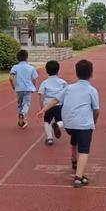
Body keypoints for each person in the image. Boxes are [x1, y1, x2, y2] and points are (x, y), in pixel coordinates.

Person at [38, 60, 99, 188]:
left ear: (76, 74)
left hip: (68, 124)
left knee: (74, 139)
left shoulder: (68, 88)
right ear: (91, 74)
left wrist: (43, 109)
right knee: (84, 150)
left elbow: (55, 99)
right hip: (83, 125)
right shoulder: (92, 90)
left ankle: (74, 160)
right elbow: (96, 110)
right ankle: (78, 177)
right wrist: (94, 121)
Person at [38, 60, 67, 145]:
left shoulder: (44, 82)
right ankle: (58, 125)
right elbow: (67, 94)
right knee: (63, 120)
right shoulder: (63, 82)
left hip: (48, 105)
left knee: (47, 121)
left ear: (46, 71)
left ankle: (49, 138)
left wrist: (42, 108)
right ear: (58, 70)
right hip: (59, 105)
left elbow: (40, 95)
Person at [10, 50, 38, 128]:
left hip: (19, 88)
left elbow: (11, 77)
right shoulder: (31, 68)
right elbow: (34, 79)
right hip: (28, 88)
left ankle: (23, 120)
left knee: (19, 104)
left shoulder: (15, 67)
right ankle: (23, 114)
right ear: (27, 58)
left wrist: (13, 85)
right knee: (26, 103)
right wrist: (33, 86)